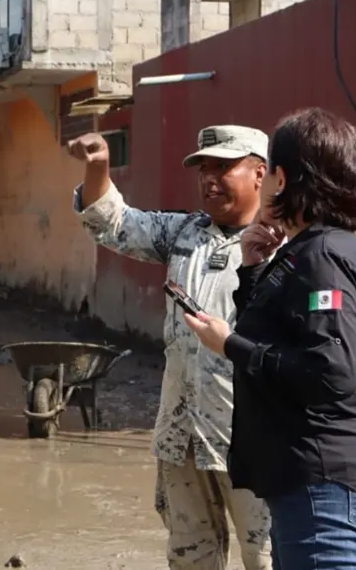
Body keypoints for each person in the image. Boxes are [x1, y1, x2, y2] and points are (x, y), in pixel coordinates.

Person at [183, 107, 356, 569]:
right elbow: (293, 333)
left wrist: (230, 345)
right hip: (310, 483)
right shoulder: (311, 250)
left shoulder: (324, 255)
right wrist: (253, 269)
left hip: (325, 484)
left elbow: (330, 371)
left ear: (279, 178)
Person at [68, 126, 273, 569]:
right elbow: (112, 222)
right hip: (182, 436)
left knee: (268, 557)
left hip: (254, 443)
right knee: (189, 556)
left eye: (223, 166)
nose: (209, 178)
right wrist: (99, 166)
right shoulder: (184, 233)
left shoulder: (286, 245)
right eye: (204, 168)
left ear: (260, 173)